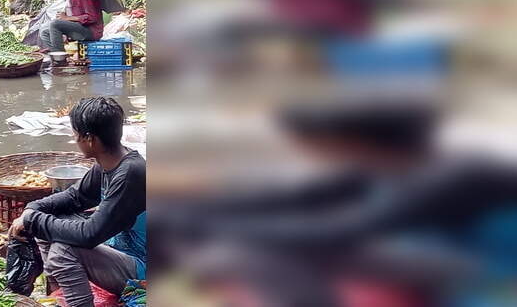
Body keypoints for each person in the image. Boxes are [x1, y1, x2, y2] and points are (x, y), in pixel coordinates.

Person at [157, 93, 517, 307]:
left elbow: (344, 230)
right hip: (430, 247)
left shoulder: (456, 172)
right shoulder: (375, 163)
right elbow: (298, 197)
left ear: (354, 139)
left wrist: (209, 226)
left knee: (251, 251)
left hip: (487, 271)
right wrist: (186, 208)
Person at [9, 97, 146, 306]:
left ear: (89, 139)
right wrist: (32, 209)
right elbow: (76, 197)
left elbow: (91, 234)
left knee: (63, 250)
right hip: (120, 251)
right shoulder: (109, 162)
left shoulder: (130, 172)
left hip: (143, 269)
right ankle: (59, 294)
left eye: (75, 134)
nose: (74, 139)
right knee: (49, 221)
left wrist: (33, 221)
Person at [39, 0, 103, 54]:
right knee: (45, 32)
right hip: (78, 27)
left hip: (91, 31)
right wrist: (64, 19)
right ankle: (58, 55)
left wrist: (67, 18)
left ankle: (60, 60)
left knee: (55, 24)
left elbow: (92, 17)